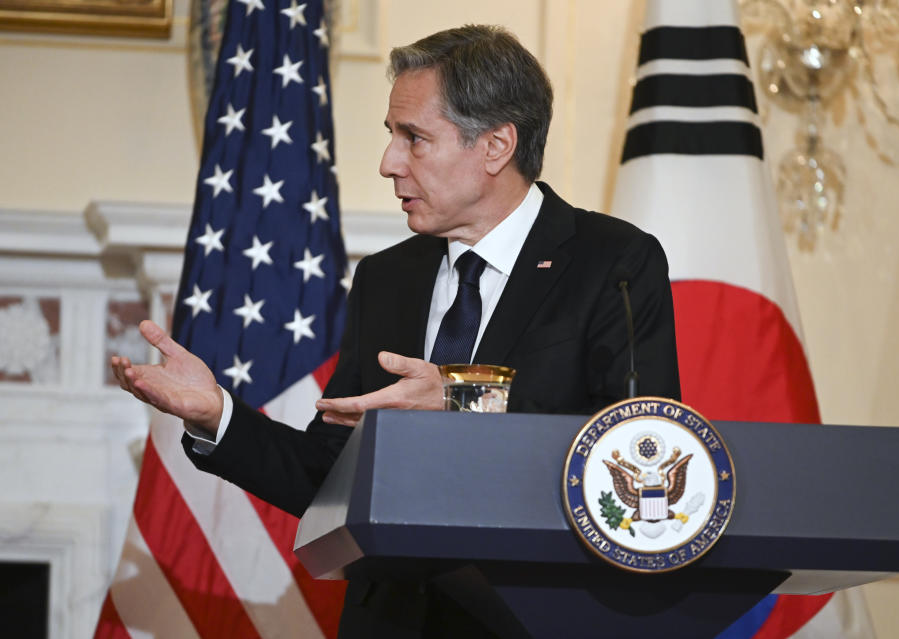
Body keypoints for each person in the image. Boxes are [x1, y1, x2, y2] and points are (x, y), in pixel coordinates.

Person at [113, 24, 681, 638]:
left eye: (414, 139)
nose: (389, 163)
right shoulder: (386, 279)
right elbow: (329, 481)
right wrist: (216, 414)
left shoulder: (613, 263)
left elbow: (638, 445)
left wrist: (466, 397)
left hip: (537, 619)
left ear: (495, 146)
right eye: (392, 136)